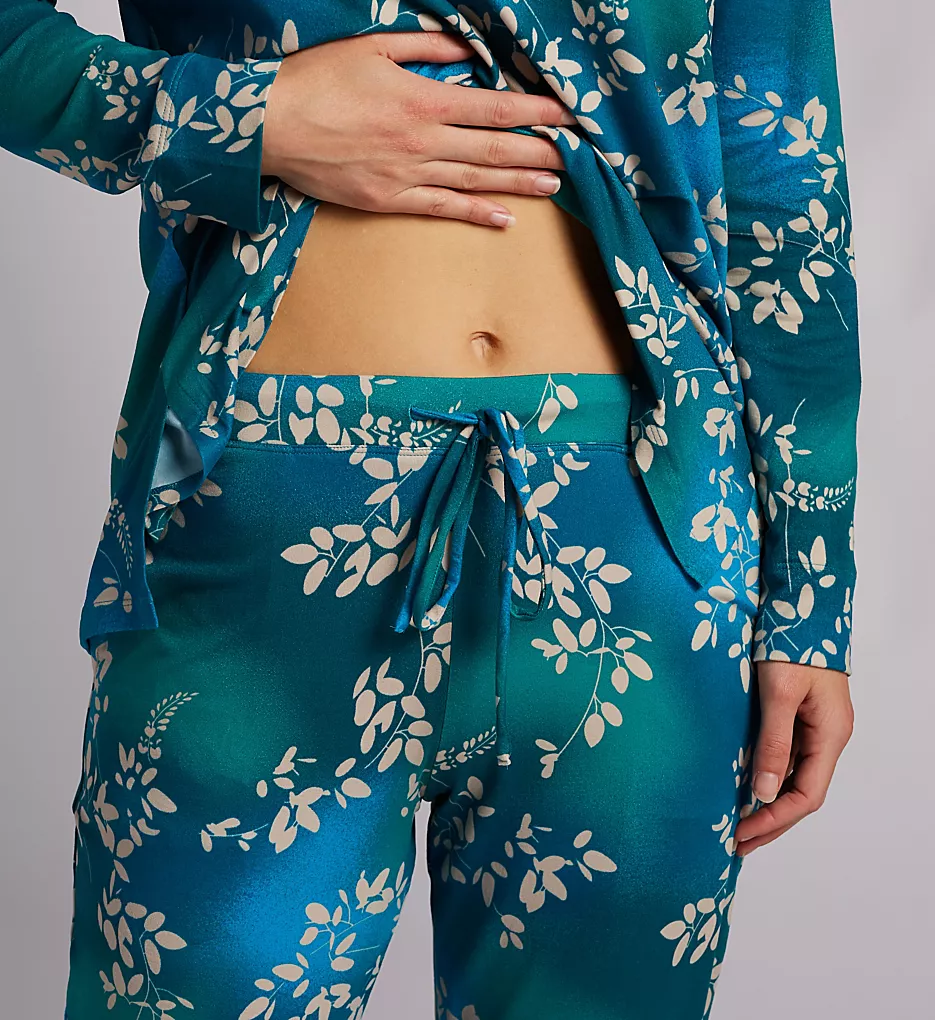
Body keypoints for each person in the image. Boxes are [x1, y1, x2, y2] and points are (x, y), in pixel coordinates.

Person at [0, 1, 860, 1017]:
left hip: (643, 542)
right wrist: (241, 116)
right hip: (270, 516)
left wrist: (808, 603)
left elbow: (784, 192)